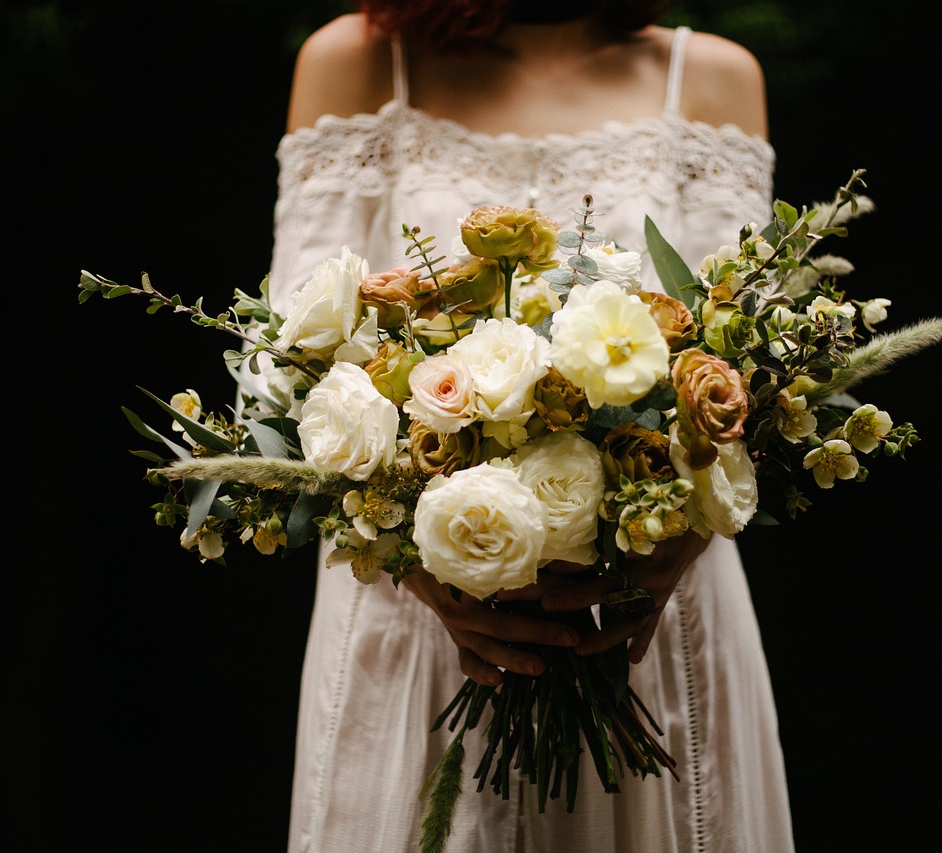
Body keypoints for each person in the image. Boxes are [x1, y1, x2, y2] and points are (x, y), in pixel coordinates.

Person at [267, 1, 795, 849]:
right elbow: (296, 362)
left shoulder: (711, 80)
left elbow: (750, 368)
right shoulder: (360, 62)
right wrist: (420, 563)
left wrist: (670, 551)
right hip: (414, 625)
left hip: (645, 625)